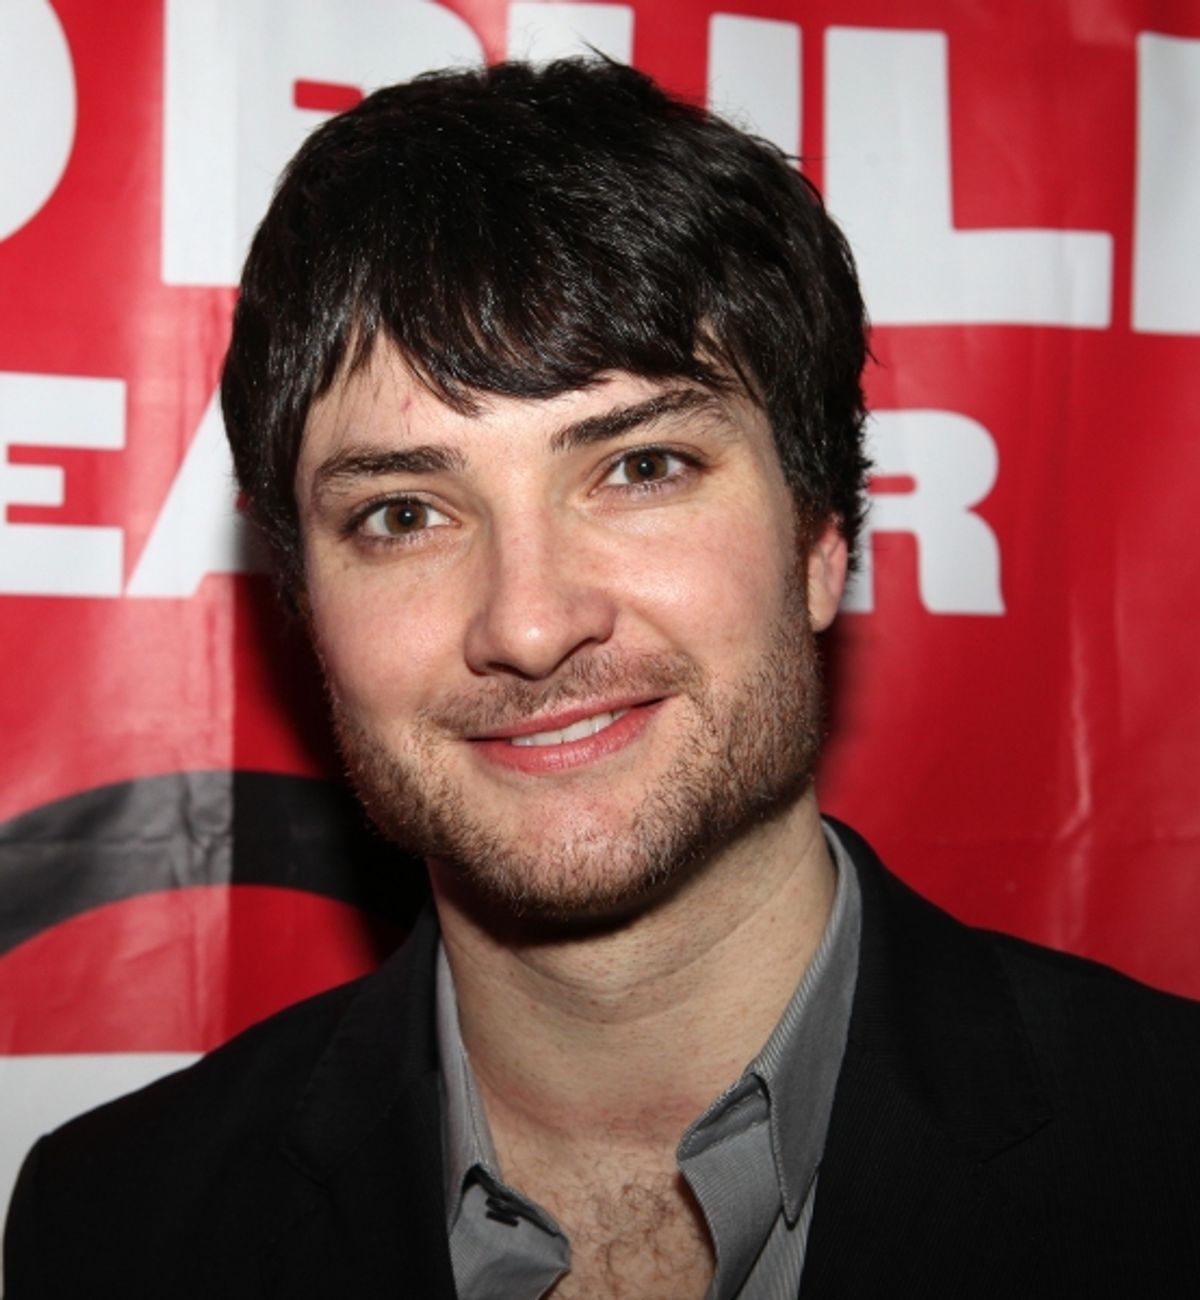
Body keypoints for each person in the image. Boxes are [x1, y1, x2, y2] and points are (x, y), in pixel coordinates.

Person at [5, 57, 1200, 1300]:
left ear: (818, 540)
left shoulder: (1171, 1162)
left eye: (641, 468)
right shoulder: (115, 1227)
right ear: (306, 608)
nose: (529, 624)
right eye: (406, 512)